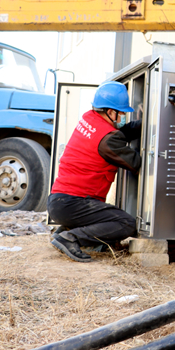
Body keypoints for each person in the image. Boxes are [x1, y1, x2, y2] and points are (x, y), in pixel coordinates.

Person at [48, 81, 141, 263]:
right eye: (121, 112)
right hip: (74, 203)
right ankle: (71, 238)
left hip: (59, 201)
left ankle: (67, 230)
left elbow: (118, 134)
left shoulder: (90, 118)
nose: (123, 116)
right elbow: (135, 163)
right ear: (109, 111)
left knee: (108, 218)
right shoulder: (107, 140)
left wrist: (147, 123)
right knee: (126, 223)